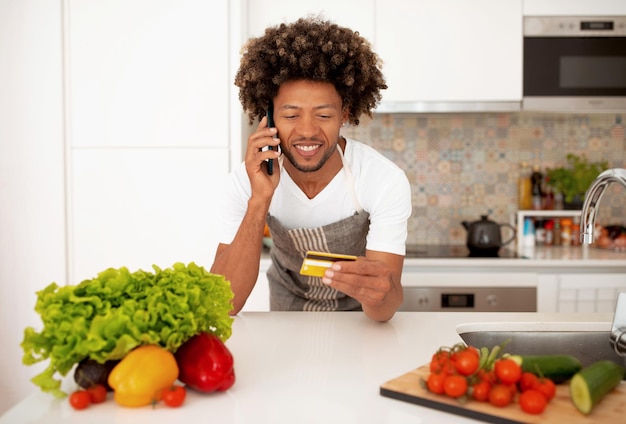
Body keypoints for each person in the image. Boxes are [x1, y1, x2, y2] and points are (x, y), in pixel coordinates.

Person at [211, 17, 411, 322]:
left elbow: (386, 307)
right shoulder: (245, 182)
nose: (307, 131)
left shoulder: (382, 179)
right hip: (286, 321)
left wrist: (380, 295)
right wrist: (259, 200)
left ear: (345, 114)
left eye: (323, 114)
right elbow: (222, 304)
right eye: (291, 115)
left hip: (362, 326)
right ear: (269, 115)